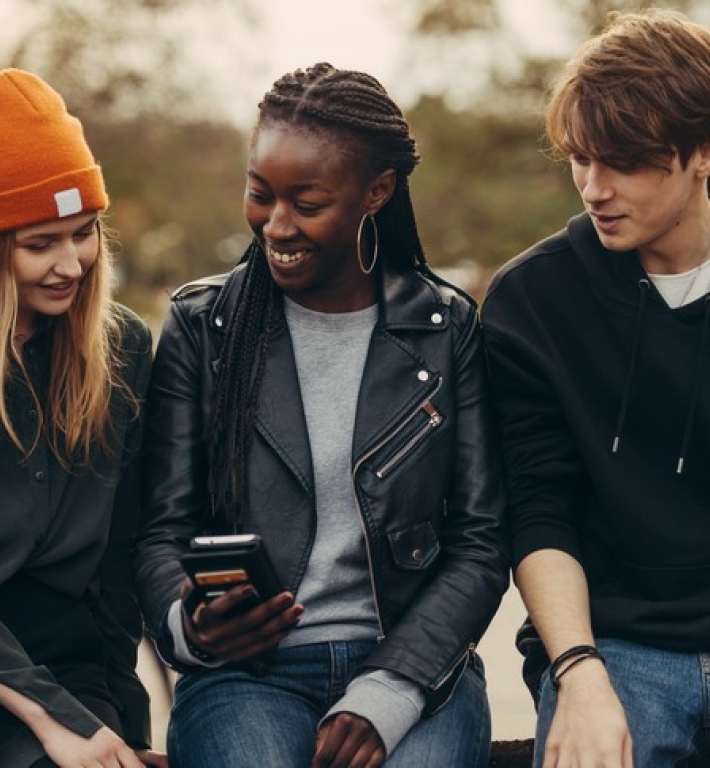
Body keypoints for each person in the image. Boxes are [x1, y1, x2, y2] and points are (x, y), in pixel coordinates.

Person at [134, 62, 508, 767]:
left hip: (414, 667)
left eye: (306, 202)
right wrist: (195, 626)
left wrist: (392, 689)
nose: (276, 225)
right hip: (248, 678)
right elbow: (160, 530)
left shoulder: (444, 325)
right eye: (260, 195)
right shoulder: (202, 325)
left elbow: (481, 541)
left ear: (377, 191)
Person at [481, 9, 710, 767]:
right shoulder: (534, 303)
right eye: (580, 158)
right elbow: (539, 512)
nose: (593, 187)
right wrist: (577, 674)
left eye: (624, 162)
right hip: (616, 646)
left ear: (701, 152)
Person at [0, 69, 165, 767]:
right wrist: (51, 718)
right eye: (41, 242)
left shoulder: (122, 349)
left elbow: (118, 563)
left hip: (71, 667)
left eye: (85, 232)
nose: (72, 263)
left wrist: (116, 718)